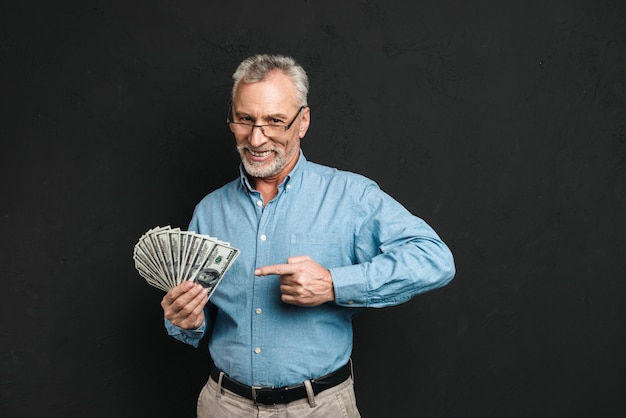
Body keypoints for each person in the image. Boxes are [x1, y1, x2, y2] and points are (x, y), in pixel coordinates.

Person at [161, 54, 455, 418]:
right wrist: (185, 320)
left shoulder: (351, 196)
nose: (256, 137)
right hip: (223, 405)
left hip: (320, 408)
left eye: (274, 121)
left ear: (303, 122)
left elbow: (434, 258)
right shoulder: (210, 210)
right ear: (231, 118)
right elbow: (192, 316)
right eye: (245, 119)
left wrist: (334, 284)